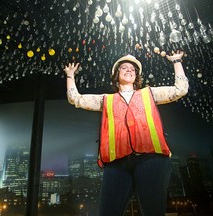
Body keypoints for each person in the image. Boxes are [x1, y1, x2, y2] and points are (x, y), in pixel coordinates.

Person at [64, 50, 189, 216]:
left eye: (133, 69)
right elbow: (76, 99)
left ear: (136, 75)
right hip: (117, 163)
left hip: (151, 158)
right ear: (117, 74)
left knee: (152, 212)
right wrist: (70, 75)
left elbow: (180, 90)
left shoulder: (149, 93)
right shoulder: (106, 100)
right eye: (124, 67)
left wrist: (176, 62)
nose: (129, 70)